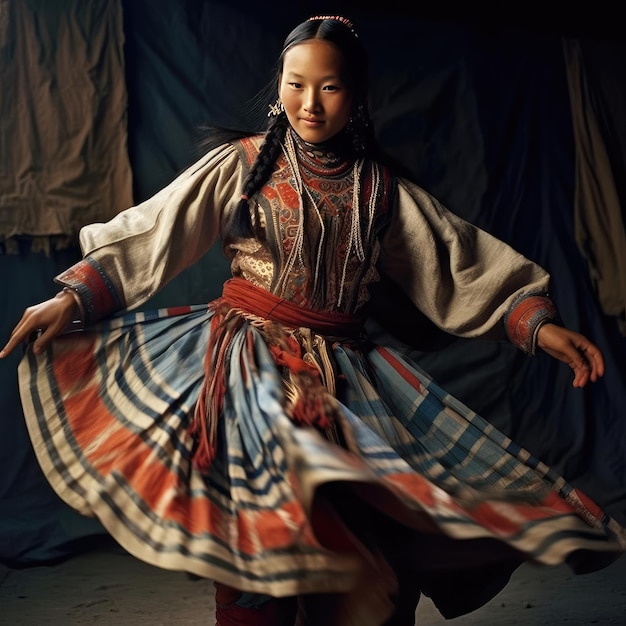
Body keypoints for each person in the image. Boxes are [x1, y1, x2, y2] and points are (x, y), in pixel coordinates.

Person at [1, 14, 624, 626]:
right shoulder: (242, 166)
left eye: (329, 86)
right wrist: (72, 298)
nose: (310, 102)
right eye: (295, 84)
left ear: (355, 95)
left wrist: (537, 324)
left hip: (343, 379)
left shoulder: (382, 192)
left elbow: (459, 261)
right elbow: (157, 232)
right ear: (278, 86)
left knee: (369, 541)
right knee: (260, 540)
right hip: (250, 370)